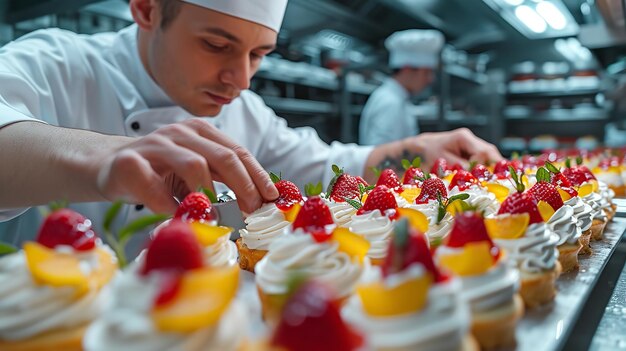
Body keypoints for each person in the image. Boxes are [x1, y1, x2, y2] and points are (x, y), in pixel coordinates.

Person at [0, 0, 502, 244]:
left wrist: (417, 149)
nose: (239, 79)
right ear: (148, 8)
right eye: (217, 45)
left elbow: (324, 164)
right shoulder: (57, 64)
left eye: (258, 55)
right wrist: (106, 157)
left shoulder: (240, 108)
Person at [359, 29, 444, 145]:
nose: (430, 79)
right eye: (427, 72)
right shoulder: (390, 102)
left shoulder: (398, 99)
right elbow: (381, 156)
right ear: (407, 69)